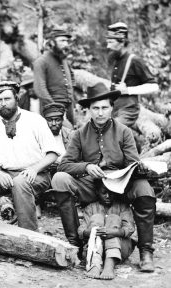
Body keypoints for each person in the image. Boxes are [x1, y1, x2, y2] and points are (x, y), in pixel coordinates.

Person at [51, 82, 156, 272]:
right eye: (95, 108)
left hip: (120, 186)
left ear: (111, 108)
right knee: (59, 179)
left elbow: (133, 162)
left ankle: (145, 251)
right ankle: (76, 244)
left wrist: (132, 170)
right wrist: (87, 166)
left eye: (104, 108)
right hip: (92, 186)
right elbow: (64, 164)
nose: (100, 113)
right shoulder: (79, 134)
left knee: (144, 189)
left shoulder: (124, 131)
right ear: (88, 110)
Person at [0, 81, 60, 231]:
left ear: (16, 99)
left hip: (36, 174)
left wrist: (34, 169)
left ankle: (29, 235)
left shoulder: (35, 120)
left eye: (7, 99)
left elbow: (52, 153)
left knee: (21, 182)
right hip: (5, 174)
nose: (3, 104)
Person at [106, 22, 159, 128]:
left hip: (128, 111)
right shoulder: (117, 61)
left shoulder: (134, 61)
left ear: (122, 42)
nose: (108, 46)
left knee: (111, 132)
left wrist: (128, 90)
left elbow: (154, 86)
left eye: (111, 42)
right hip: (114, 109)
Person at [79, 183, 135, 280]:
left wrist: (113, 232)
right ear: (97, 192)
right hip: (92, 251)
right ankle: (95, 264)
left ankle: (109, 264)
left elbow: (129, 229)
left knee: (113, 218)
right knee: (97, 218)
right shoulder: (91, 208)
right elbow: (81, 231)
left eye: (111, 193)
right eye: (104, 193)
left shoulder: (123, 207)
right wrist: (94, 231)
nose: (108, 196)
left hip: (120, 251)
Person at [42, 102, 72, 176]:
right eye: (49, 120)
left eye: (57, 120)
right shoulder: (38, 135)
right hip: (44, 174)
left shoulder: (71, 135)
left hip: (66, 173)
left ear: (62, 120)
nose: (54, 123)